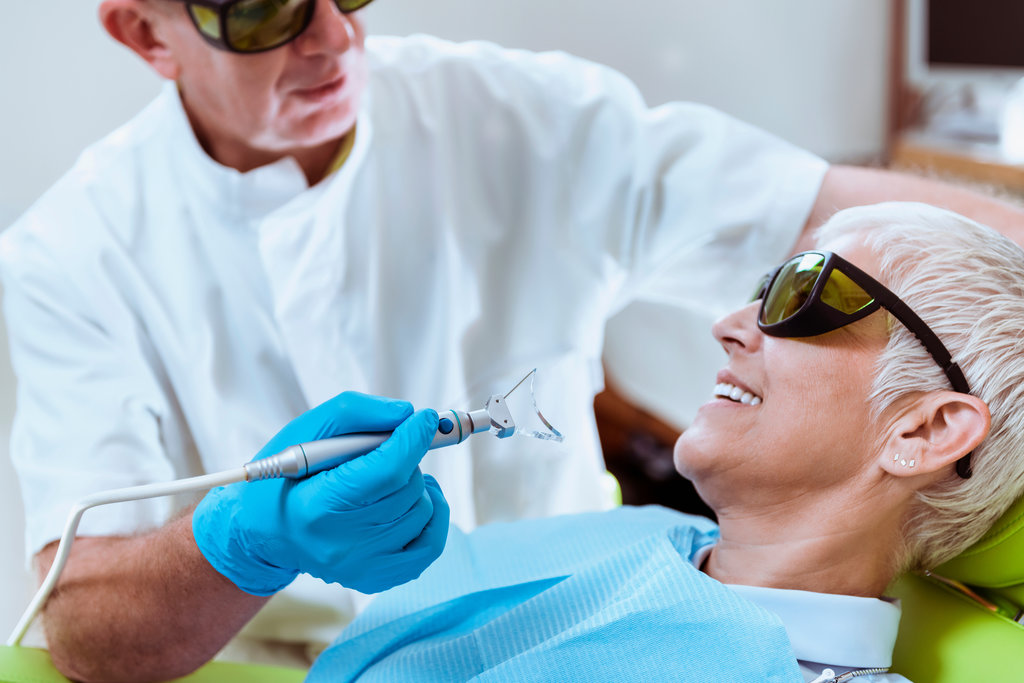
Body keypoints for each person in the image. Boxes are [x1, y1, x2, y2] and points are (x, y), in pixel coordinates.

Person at [3, 0, 1024, 679]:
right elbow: (86, 627)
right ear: (144, 32)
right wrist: (244, 541)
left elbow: (822, 207)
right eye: (262, 6)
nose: (332, 39)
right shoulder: (72, 253)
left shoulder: (520, 115)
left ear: (932, 425)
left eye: (799, 293)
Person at [305, 202, 1024, 682]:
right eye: (763, 285)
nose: (732, 323)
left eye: (805, 294)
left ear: (926, 430)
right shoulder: (645, 537)